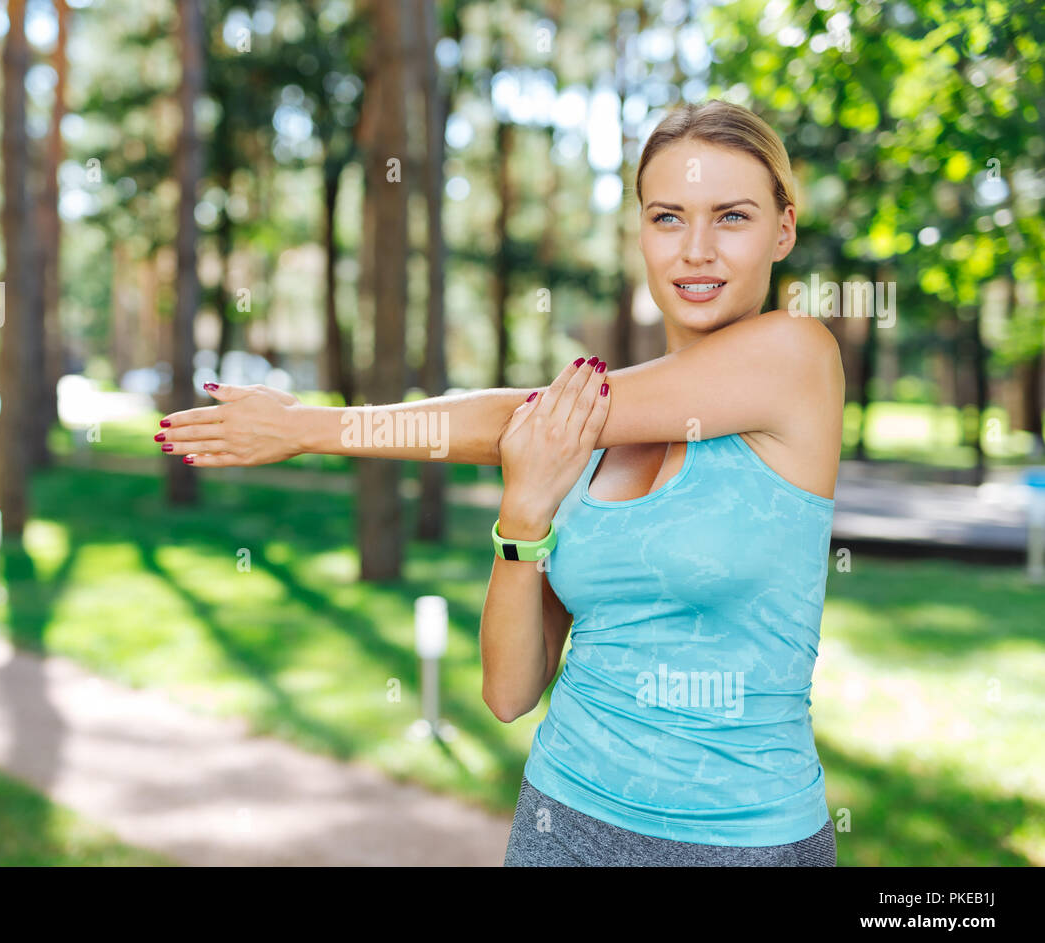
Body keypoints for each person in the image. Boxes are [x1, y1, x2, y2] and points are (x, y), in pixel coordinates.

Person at [153, 99, 844, 866]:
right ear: (641, 232)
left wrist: (309, 428)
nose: (697, 251)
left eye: (734, 217)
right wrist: (522, 516)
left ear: (784, 228)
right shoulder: (575, 441)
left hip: (744, 845)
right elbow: (510, 694)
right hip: (565, 821)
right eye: (669, 218)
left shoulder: (797, 358)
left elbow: (512, 417)